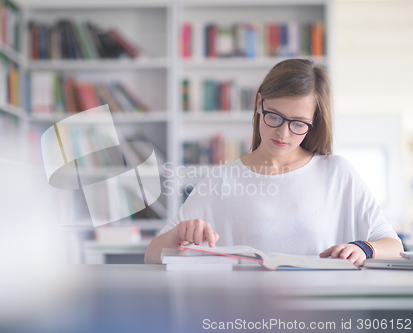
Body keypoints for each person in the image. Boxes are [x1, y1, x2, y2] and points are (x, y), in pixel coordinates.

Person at [145, 58, 403, 266]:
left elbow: (392, 245)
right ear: (259, 103)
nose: (283, 133)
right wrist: (180, 234)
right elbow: (152, 255)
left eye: (298, 123)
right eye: (275, 116)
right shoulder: (222, 180)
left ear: (313, 122)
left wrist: (363, 248)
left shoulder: (337, 173)